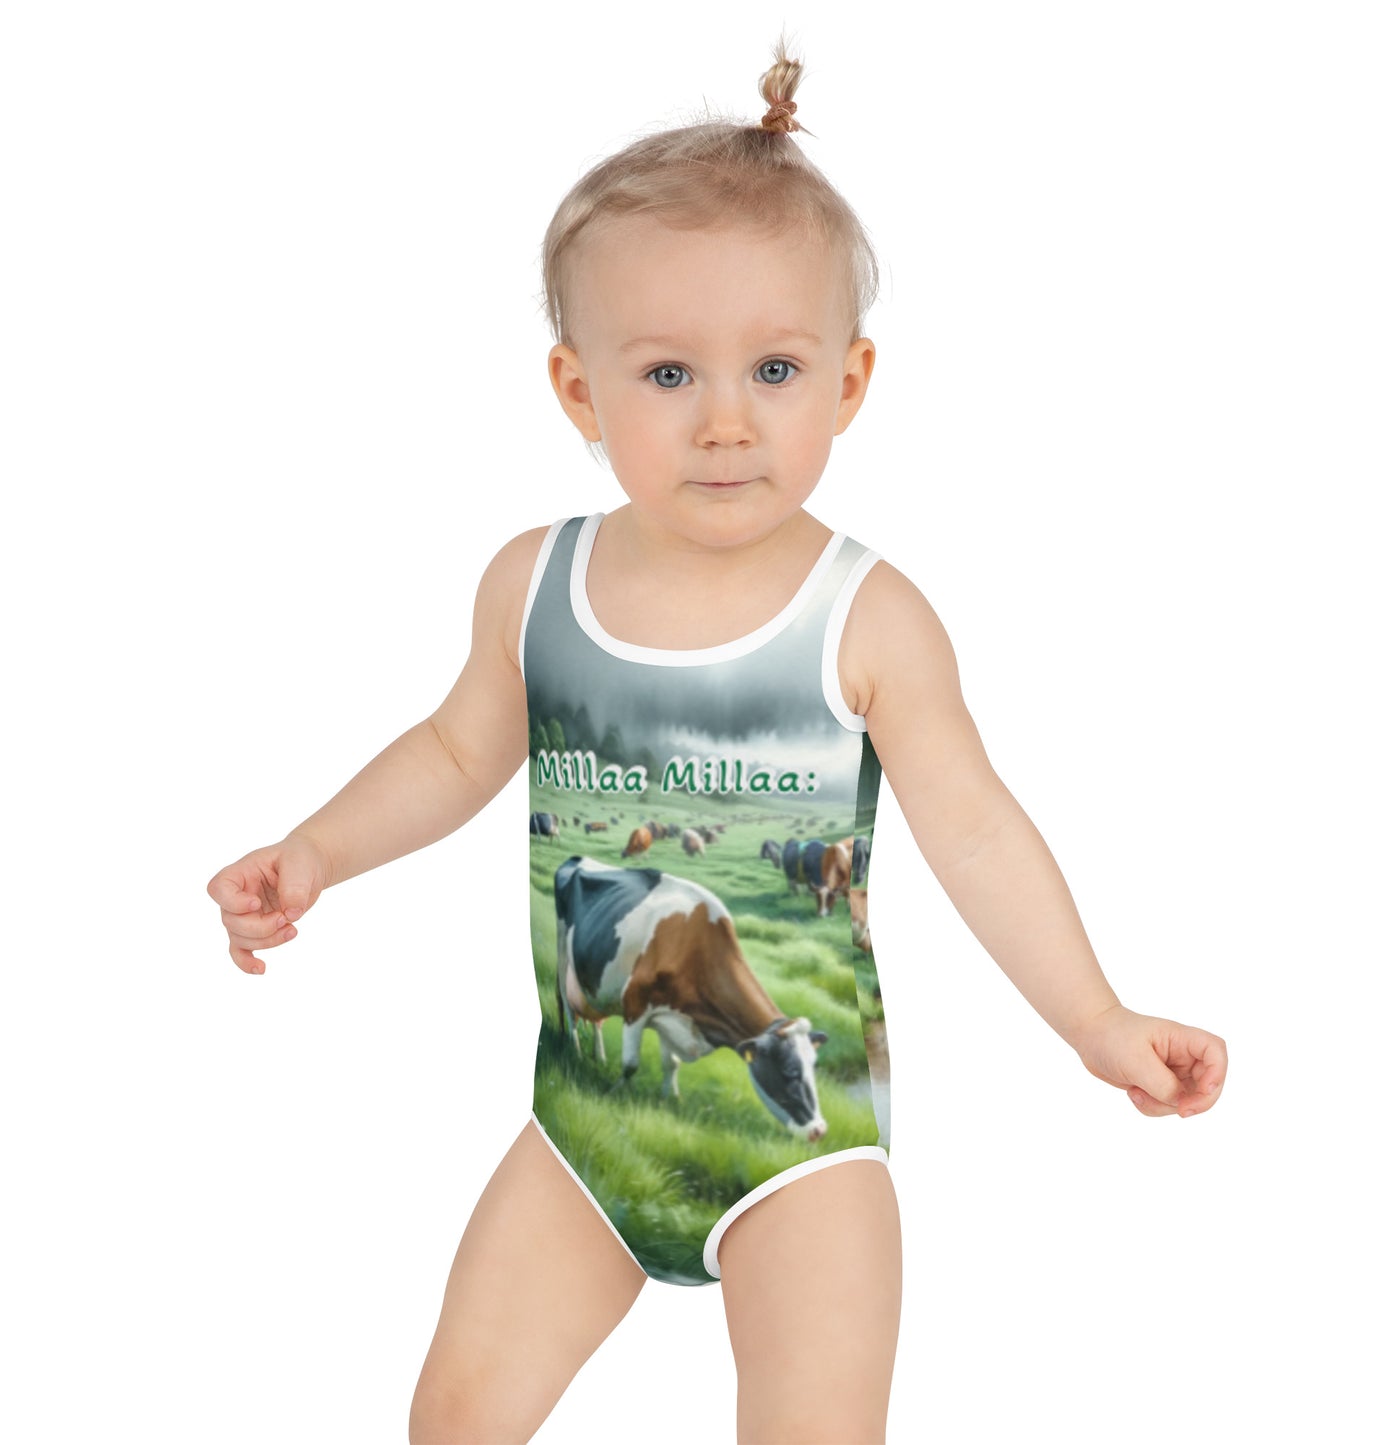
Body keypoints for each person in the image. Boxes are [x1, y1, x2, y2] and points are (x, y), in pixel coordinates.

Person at [207, 37, 1228, 1445]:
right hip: (584, 1129)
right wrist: (316, 849)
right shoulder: (532, 585)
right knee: (453, 1413)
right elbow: (451, 754)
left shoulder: (867, 618)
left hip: (804, 1151)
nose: (727, 422)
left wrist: (1096, 1018)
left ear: (849, 382)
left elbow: (977, 829)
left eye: (776, 368)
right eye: (670, 372)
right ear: (579, 391)